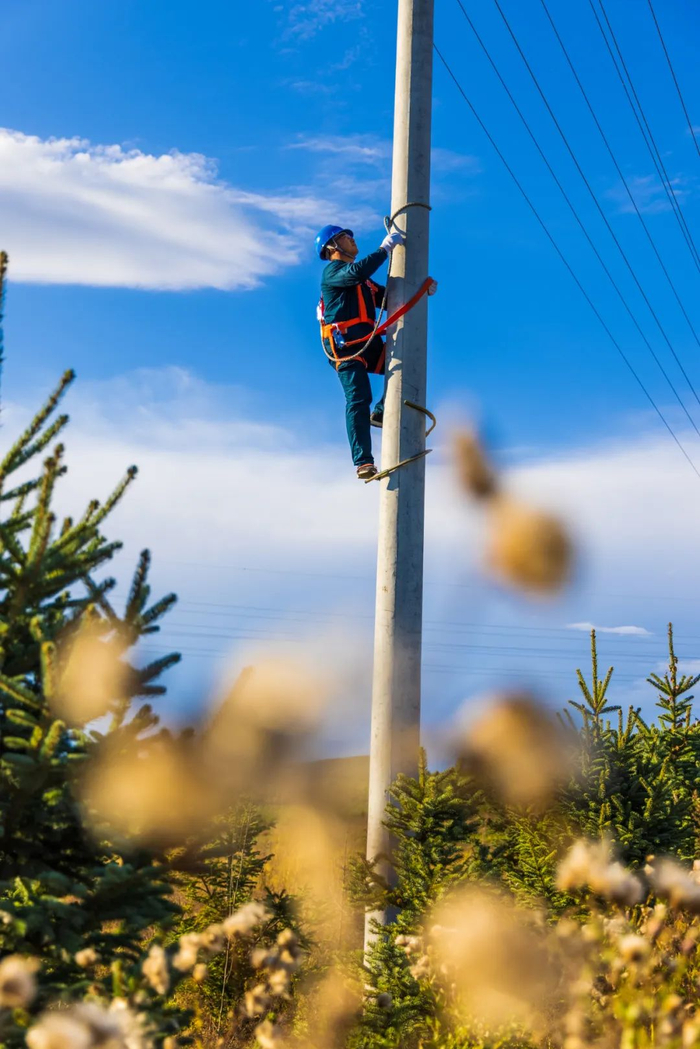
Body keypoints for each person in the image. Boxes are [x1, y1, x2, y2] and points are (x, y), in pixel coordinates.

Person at [315, 224, 406, 480]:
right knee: (358, 397)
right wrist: (384, 249)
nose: (352, 240)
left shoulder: (363, 282)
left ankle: (380, 412)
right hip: (345, 348)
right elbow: (356, 272)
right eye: (345, 237)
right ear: (332, 247)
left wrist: (420, 290)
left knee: (403, 359)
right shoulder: (333, 272)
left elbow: (387, 298)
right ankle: (363, 461)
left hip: (366, 341)